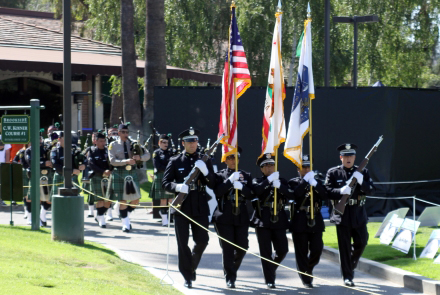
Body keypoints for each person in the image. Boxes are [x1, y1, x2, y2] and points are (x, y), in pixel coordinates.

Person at [162, 127, 215, 289]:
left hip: (200, 205)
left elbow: (213, 183)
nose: (193, 144)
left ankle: (191, 265)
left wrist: (206, 172)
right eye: (190, 141)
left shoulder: (204, 160)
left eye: (195, 141)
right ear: (183, 143)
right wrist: (177, 187)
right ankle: (187, 276)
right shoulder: (175, 160)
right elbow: (165, 183)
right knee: (182, 243)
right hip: (182, 206)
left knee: (202, 240)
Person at [324, 143, 374, 287]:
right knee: (344, 247)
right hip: (342, 215)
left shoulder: (363, 172)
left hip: (358, 213)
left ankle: (349, 265)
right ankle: (348, 276)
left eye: (351, 156)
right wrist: (340, 191)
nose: (348, 158)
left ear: (355, 157)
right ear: (341, 157)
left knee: (362, 242)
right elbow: (327, 192)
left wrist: (361, 182)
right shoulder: (333, 173)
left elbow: (372, 190)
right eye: (345, 156)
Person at [213, 146, 253, 288]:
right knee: (228, 248)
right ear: (225, 159)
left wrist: (242, 187)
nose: (232, 160)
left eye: (235, 157)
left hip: (241, 215)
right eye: (229, 157)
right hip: (224, 215)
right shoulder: (219, 175)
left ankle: (231, 269)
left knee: (242, 247)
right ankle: (230, 277)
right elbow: (217, 192)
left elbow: (251, 195)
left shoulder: (246, 175)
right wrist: (230, 181)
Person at [288, 155, 329, 288]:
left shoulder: (317, 181)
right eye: (303, 167)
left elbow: (325, 195)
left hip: (315, 218)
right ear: (298, 169)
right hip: (300, 218)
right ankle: (305, 277)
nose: (306, 169)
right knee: (301, 251)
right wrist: (305, 181)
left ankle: (308, 268)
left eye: (308, 167)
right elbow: (295, 194)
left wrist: (315, 184)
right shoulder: (293, 182)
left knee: (317, 248)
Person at [252, 154, 293, 289]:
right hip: (262, 218)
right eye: (266, 166)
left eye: (272, 165)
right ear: (262, 169)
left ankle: (270, 269)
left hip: (279, 218)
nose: (270, 168)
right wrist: (269, 180)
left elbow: (290, 195)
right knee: (266, 252)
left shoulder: (281, 180)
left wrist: (279, 185)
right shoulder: (257, 180)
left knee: (283, 249)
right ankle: (270, 279)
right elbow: (256, 191)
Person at [106, 123, 150, 232]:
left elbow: (147, 155)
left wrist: (140, 157)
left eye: (127, 132)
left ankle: (124, 214)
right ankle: (125, 224)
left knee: (136, 199)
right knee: (123, 199)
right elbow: (112, 161)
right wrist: (125, 161)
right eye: (123, 132)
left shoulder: (134, 143)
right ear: (119, 133)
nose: (126, 134)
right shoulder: (113, 145)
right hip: (119, 172)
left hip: (131, 172)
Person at [25, 137, 53, 226]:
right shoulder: (29, 151)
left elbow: (51, 159)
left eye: (39, 139)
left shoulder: (46, 149)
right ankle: (33, 218)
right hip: (35, 175)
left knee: (46, 197)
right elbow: (30, 162)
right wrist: (43, 163)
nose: (38, 141)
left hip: (46, 176)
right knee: (33, 197)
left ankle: (42, 215)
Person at [88, 132, 112, 228]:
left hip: (108, 176)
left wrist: (110, 171)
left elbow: (112, 162)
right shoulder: (92, 151)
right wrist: (103, 171)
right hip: (97, 176)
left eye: (104, 141)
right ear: (96, 141)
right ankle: (102, 219)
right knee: (100, 200)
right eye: (101, 141)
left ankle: (99, 215)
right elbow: (91, 164)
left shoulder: (108, 151)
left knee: (108, 200)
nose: (103, 143)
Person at [151, 134, 175, 226]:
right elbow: (157, 166)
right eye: (163, 142)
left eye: (167, 142)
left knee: (170, 199)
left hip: (170, 177)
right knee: (164, 199)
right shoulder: (156, 153)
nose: (166, 144)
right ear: (159, 143)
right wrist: (169, 169)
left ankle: (169, 217)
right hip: (161, 176)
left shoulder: (170, 152)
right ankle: (164, 220)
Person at [13, 144, 30, 218]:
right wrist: (19, 164)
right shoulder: (21, 151)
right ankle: (26, 210)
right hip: (24, 172)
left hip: (33, 171)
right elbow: (14, 160)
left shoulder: (35, 151)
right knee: (25, 192)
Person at [0, 136, 11, 206]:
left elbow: (7, 152)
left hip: (2, 164)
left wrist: (7, 164)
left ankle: (1, 200)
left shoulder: (3, 137)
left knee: (2, 183)